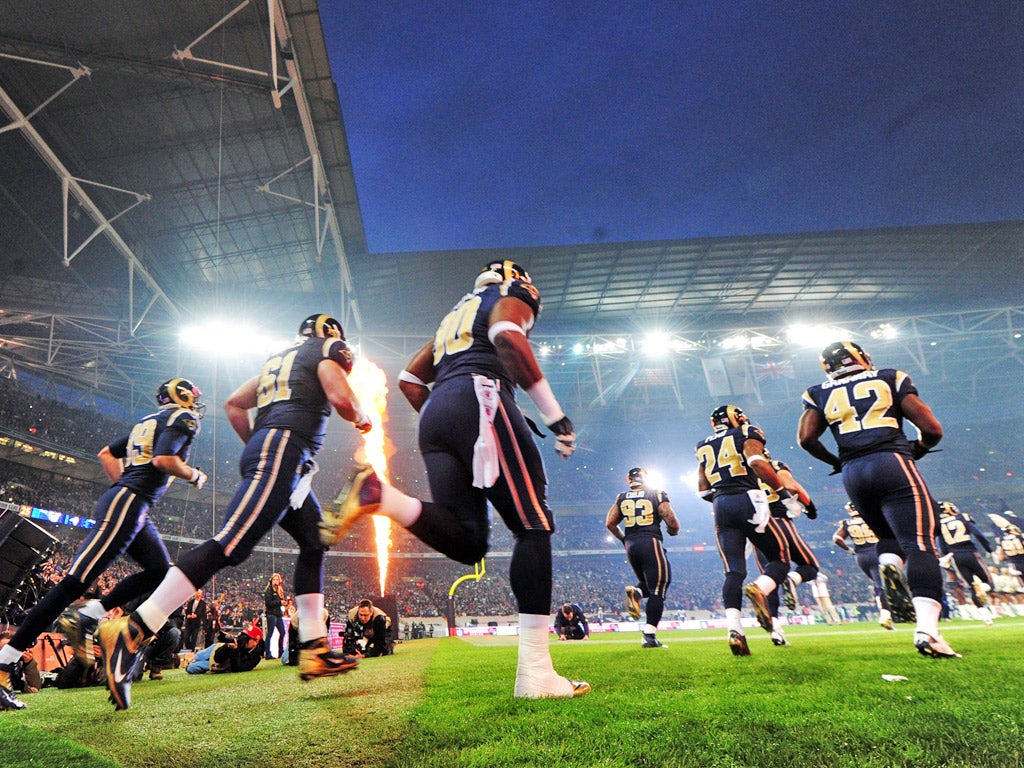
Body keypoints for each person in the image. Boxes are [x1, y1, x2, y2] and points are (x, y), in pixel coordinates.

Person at [321, 260, 589, 698]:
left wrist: (451, 409)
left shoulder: (454, 317)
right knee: (533, 525)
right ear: (515, 280)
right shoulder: (507, 297)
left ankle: (379, 495)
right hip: (481, 396)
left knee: (468, 541)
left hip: (437, 414)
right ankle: (536, 674)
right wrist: (553, 414)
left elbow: (410, 379)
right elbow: (507, 336)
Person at [95, 313, 370, 709]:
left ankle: (313, 645)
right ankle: (133, 630)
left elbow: (234, 404)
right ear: (331, 333)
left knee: (316, 540)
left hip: (287, 458)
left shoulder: (280, 359)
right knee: (231, 545)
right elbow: (341, 396)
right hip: (284, 451)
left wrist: (257, 444)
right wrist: (361, 417)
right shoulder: (324, 350)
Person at [0, 377, 207, 711]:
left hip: (132, 504)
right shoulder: (183, 419)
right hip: (129, 503)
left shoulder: (149, 421)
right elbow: (164, 460)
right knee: (72, 584)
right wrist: (194, 475)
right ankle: (4, 664)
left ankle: (92, 613)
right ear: (183, 397)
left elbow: (106, 453)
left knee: (160, 572)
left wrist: (125, 486)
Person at [797, 340, 959, 658]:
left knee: (887, 537)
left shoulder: (816, 391)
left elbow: (806, 438)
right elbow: (932, 428)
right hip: (891, 461)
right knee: (920, 543)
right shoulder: (889, 377)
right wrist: (920, 448)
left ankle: (887, 563)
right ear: (862, 358)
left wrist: (836, 462)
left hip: (853, 474)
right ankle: (928, 631)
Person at [696, 405, 798, 656]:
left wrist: (727, 500)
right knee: (780, 558)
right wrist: (783, 495)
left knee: (733, 571)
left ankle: (735, 631)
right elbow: (756, 462)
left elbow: (702, 489)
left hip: (720, 504)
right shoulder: (747, 432)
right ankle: (760, 588)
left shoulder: (702, 445)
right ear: (736, 419)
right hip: (749, 497)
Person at [605, 466, 680, 648]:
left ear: (628, 480)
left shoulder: (621, 497)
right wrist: (673, 529)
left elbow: (610, 523)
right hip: (650, 541)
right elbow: (670, 518)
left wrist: (624, 540)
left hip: (631, 545)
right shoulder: (656, 494)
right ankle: (649, 636)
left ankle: (637, 593)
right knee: (659, 587)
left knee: (647, 585)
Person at [752, 452, 820, 646]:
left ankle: (776, 632)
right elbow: (791, 486)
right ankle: (792, 579)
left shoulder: (743, 472)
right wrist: (810, 506)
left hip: (755, 527)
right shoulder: (774, 465)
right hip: (779, 521)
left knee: (769, 580)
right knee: (810, 566)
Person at [833, 501, 895, 630]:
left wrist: (849, 550)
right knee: (882, 585)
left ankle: (884, 610)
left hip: (861, 556)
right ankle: (885, 613)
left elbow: (837, 538)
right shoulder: (871, 519)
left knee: (877, 584)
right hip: (876, 552)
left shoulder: (846, 523)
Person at [936, 501, 996, 625]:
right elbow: (978, 534)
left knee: (971, 586)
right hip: (970, 553)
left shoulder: (940, 524)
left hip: (955, 557)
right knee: (989, 583)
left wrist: (946, 556)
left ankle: (985, 617)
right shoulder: (962, 517)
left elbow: (942, 545)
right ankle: (983, 588)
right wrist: (989, 549)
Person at [186, 625, 265, 674]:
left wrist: (234, 650)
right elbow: (218, 655)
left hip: (220, 663)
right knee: (198, 656)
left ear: (256, 641)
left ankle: (190, 662)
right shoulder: (239, 641)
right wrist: (227, 646)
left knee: (191, 668)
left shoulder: (256, 657)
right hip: (217, 648)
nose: (244, 639)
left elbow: (238, 668)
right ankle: (192, 659)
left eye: (248, 638)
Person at [263, 573, 286, 659]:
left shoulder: (279, 591)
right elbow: (268, 603)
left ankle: (281, 652)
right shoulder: (268, 590)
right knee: (270, 634)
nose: (276, 581)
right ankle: (268, 654)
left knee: (282, 632)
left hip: (278, 614)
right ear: (271, 580)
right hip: (271, 614)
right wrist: (279, 603)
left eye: (277, 579)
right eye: (274, 579)